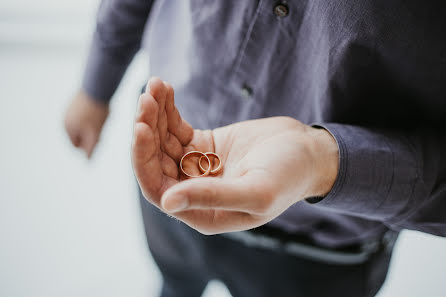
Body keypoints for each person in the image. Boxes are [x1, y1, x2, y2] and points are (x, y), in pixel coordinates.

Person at [65, 1, 446, 296]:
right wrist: (97, 83)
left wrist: (322, 161)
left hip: (323, 249)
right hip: (171, 176)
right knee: (175, 282)